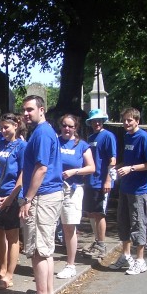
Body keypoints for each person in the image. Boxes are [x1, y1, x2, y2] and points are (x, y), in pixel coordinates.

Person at [14, 95, 63, 294]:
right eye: (24, 110)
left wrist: (28, 199)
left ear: (41, 110)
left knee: (38, 250)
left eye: (30, 109)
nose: (26, 113)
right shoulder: (43, 131)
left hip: (43, 197)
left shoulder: (42, 133)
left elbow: (41, 169)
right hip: (48, 195)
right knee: (45, 249)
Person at [110, 107, 147, 275]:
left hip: (139, 189)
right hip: (125, 187)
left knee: (138, 223)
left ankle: (140, 260)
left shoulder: (143, 137)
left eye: (129, 120)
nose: (126, 123)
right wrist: (119, 167)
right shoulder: (127, 136)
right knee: (123, 222)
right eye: (124, 120)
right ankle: (126, 255)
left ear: (137, 121)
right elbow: (129, 161)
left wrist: (130, 169)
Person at [0, 113, 26, 290]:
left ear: (16, 126)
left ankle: (9, 275)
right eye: (1, 127)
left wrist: (11, 197)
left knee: (12, 236)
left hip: (11, 195)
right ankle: (1, 270)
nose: (3, 131)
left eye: (6, 127)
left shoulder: (22, 146)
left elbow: (23, 174)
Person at [56, 114, 95, 279]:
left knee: (69, 227)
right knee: (48, 227)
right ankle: (46, 264)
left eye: (70, 126)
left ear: (75, 128)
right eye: (64, 125)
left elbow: (91, 167)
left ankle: (70, 265)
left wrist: (74, 171)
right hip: (53, 189)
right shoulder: (55, 141)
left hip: (72, 190)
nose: (67, 129)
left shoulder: (82, 145)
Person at [82, 108, 117, 259]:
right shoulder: (90, 137)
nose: (96, 123)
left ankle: (102, 245)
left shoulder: (108, 136)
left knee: (99, 214)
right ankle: (97, 241)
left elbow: (112, 160)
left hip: (101, 182)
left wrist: (108, 180)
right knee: (91, 213)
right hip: (90, 181)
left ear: (102, 121)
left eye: (99, 120)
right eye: (93, 121)